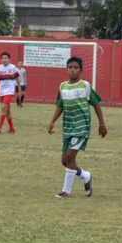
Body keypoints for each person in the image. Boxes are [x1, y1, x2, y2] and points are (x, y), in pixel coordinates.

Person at [48, 56, 107, 198]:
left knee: (70, 156)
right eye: (70, 67)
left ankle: (66, 191)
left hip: (82, 127)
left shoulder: (85, 85)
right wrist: (52, 121)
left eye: (76, 68)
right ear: (66, 69)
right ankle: (85, 176)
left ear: (81, 70)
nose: (73, 70)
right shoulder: (62, 86)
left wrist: (102, 123)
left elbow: (96, 104)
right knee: (65, 161)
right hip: (68, 128)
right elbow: (60, 105)